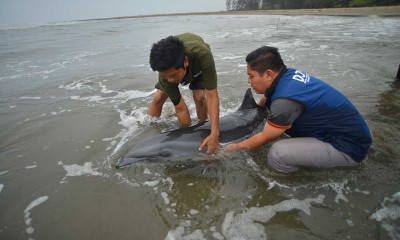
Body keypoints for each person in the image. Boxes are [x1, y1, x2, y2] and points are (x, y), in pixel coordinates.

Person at [224, 46, 372, 173]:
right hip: (352, 135)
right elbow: (269, 98)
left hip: (347, 148)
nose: (249, 81)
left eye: (251, 76)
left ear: (268, 74)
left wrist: (234, 148)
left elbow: (266, 137)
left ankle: (292, 188)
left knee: (278, 153)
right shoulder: (288, 76)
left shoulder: (284, 101)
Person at [148, 33, 220, 155]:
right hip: (173, 64)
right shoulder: (166, 75)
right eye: (166, 76)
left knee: (200, 98)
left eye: (173, 75)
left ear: (185, 61)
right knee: (158, 98)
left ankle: (201, 128)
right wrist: (184, 136)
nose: (170, 79)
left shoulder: (203, 55)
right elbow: (181, 109)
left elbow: (212, 96)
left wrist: (214, 133)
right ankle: (150, 129)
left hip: (197, 66)